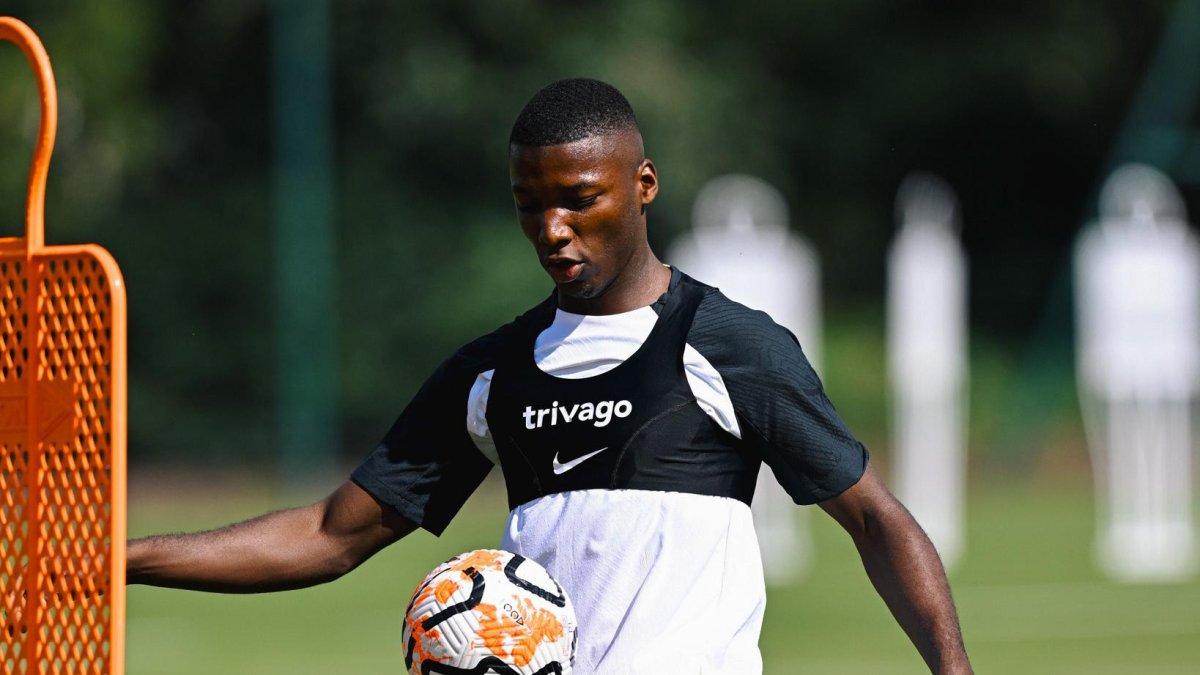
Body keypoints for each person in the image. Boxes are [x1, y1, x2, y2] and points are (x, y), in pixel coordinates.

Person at [128, 78, 972, 674]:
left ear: (642, 186)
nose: (553, 228)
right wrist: (116, 561)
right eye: (531, 203)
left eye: (579, 198)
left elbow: (873, 517)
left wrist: (952, 666)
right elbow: (328, 532)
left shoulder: (729, 346)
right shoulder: (493, 372)